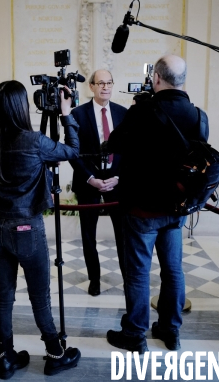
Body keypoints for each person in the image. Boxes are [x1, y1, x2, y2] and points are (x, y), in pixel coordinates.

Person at [105, 54, 209, 353]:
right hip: (176, 208)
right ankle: (170, 330)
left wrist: (138, 109)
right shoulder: (199, 116)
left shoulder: (142, 111)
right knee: (173, 270)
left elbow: (115, 143)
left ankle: (135, 334)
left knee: (139, 273)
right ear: (183, 80)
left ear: (156, 78)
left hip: (142, 208)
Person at [0, 81, 82, 379]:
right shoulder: (33, 141)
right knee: (40, 296)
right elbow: (73, 151)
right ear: (19, 107)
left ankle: (7, 357)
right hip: (26, 228)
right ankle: (55, 353)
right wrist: (66, 114)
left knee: (4, 296)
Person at [69, 69, 127, 296]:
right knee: (88, 235)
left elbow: (129, 152)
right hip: (88, 181)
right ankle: (94, 278)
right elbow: (73, 153)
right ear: (91, 87)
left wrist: (119, 177)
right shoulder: (78, 114)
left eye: (109, 82)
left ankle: (127, 276)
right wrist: (91, 179)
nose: (106, 87)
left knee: (123, 234)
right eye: (100, 83)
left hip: (117, 181)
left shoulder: (123, 114)